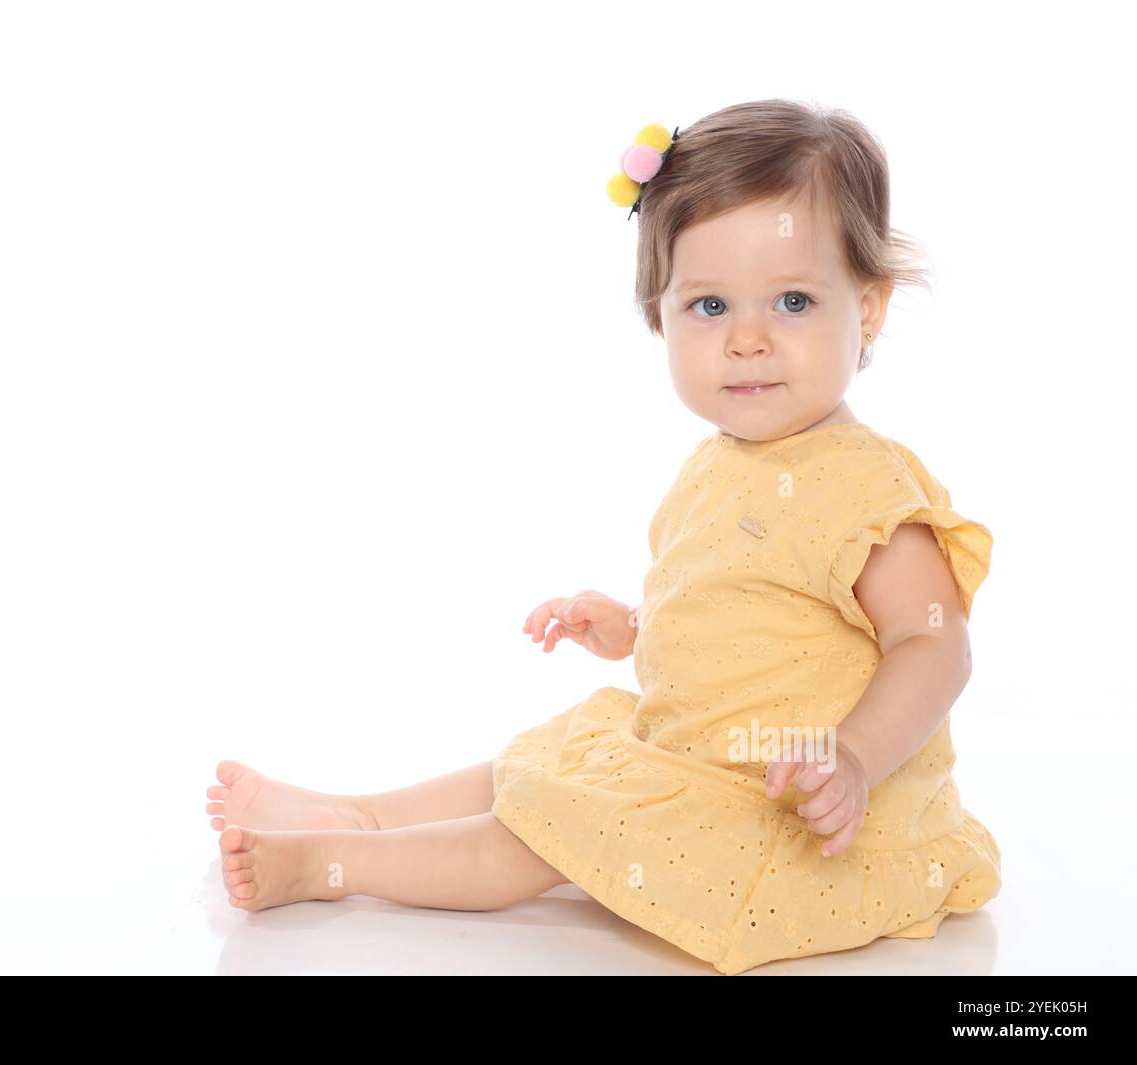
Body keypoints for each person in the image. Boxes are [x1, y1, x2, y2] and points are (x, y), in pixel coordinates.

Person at [204, 98, 1000, 974]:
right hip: (695, 755)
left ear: (871, 308)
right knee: (534, 765)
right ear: (659, 316)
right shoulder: (715, 465)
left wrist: (851, 757)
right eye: (708, 306)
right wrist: (630, 624)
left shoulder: (869, 488)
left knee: (544, 835)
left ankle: (330, 864)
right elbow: (737, 612)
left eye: (794, 299)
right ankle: (355, 812)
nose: (747, 339)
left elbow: (934, 645)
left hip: (797, 802)